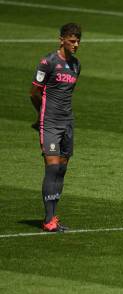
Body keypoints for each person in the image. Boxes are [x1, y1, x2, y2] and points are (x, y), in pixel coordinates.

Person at [30, 23, 82, 232]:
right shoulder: (48, 62)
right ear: (61, 39)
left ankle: (53, 216)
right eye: (71, 40)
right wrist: (40, 116)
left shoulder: (76, 65)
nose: (76, 44)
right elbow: (34, 93)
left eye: (78, 41)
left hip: (67, 123)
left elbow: (68, 94)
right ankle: (49, 219)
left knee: (61, 169)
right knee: (52, 167)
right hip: (49, 122)